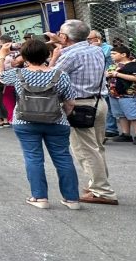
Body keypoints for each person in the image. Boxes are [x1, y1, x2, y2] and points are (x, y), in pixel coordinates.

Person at [0, 40, 80, 210]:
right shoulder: (60, 75)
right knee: (63, 158)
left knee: (33, 158)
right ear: (48, 55)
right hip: (56, 121)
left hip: (25, 121)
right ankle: (72, 199)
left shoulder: (18, 74)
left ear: (24, 57)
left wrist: (2, 55)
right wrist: (64, 115)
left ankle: (40, 197)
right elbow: (70, 102)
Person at [49, 20, 117, 205]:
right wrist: (60, 44)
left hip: (79, 105)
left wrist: (55, 55)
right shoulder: (96, 49)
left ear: (64, 36)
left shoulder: (69, 55)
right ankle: (97, 183)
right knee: (97, 147)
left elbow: (50, 79)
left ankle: (102, 191)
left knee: (85, 150)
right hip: (98, 101)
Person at [106, 45, 136, 144]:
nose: (112, 56)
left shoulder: (132, 65)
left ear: (124, 54)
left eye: (114, 54)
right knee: (121, 115)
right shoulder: (114, 65)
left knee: (133, 115)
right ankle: (126, 134)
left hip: (128, 95)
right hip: (114, 94)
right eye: (111, 54)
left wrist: (117, 74)